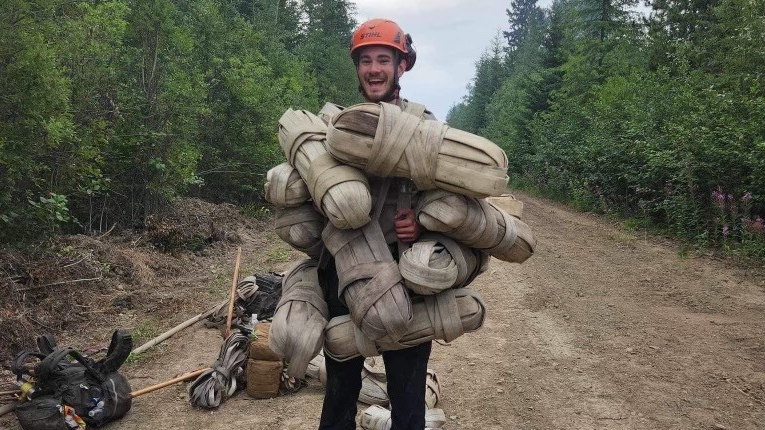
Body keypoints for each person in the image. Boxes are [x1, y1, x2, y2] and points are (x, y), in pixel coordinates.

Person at [317, 18, 433, 430]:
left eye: (384, 58)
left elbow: (452, 202)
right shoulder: (339, 128)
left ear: (402, 65)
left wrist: (421, 223)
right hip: (343, 273)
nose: (374, 69)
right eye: (365, 60)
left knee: (407, 398)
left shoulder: (425, 128)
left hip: (406, 279)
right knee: (338, 395)